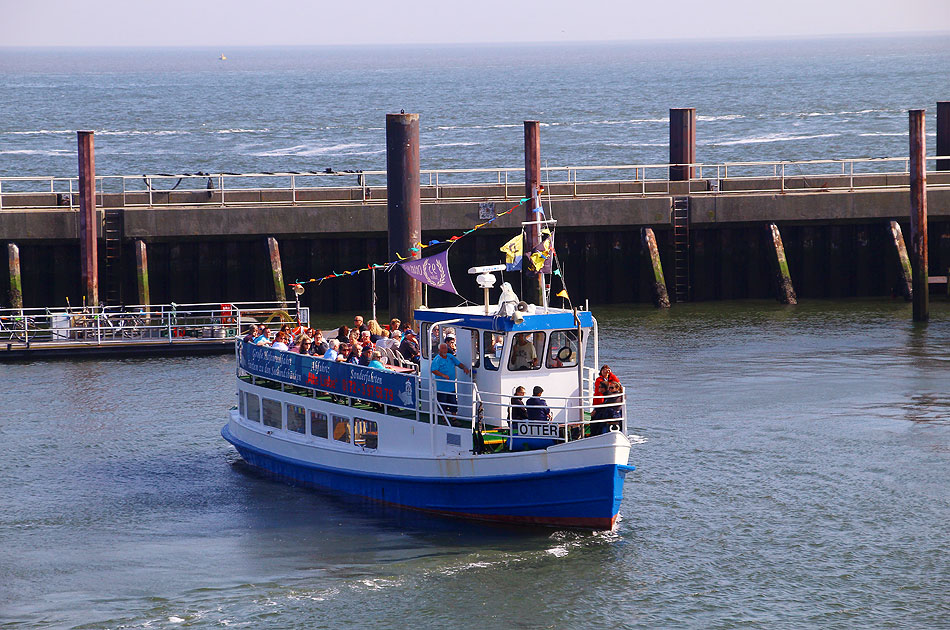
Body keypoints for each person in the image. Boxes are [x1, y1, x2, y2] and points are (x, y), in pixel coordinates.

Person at [430, 342, 470, 420]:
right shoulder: (437, 359)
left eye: (445, 348)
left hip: (451, 386)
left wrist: (464, 368)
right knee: (443, 403)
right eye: (443, 348)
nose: (445, 350)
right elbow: (434, 370)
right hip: (442, 387)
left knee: (453, 402)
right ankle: (444, 418)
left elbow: (458, 363)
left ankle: (454, 418)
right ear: (439, 350)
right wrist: (443, 375)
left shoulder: (450, 357)